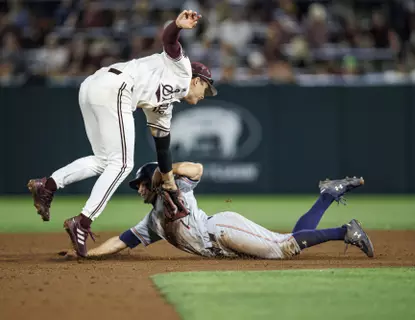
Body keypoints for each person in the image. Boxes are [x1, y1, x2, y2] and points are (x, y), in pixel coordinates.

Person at [27, 10, 217, 258]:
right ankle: (83, 223)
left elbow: (163, 147)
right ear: (196, 80)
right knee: (123, 163)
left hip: (93, 87)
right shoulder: (182, 70)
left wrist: (169, 181)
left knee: (105, 161)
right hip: (116, 87)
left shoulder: (164, 107)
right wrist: (177, 26)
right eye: (206, 87)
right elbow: (170, 42)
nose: (205, 94)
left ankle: (48, 185)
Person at [60, 162, 374, 260]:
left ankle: (346, 231)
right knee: (289, 240)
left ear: (151, 181)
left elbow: (196, 169)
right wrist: (85, 254)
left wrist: (164, 173)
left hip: (220, 229)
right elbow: (120, 241)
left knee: (285, 250)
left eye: (140, 184)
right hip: (219, 244)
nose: (138, 189)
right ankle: (327, 195)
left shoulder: (175, 187)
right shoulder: (152, 221)